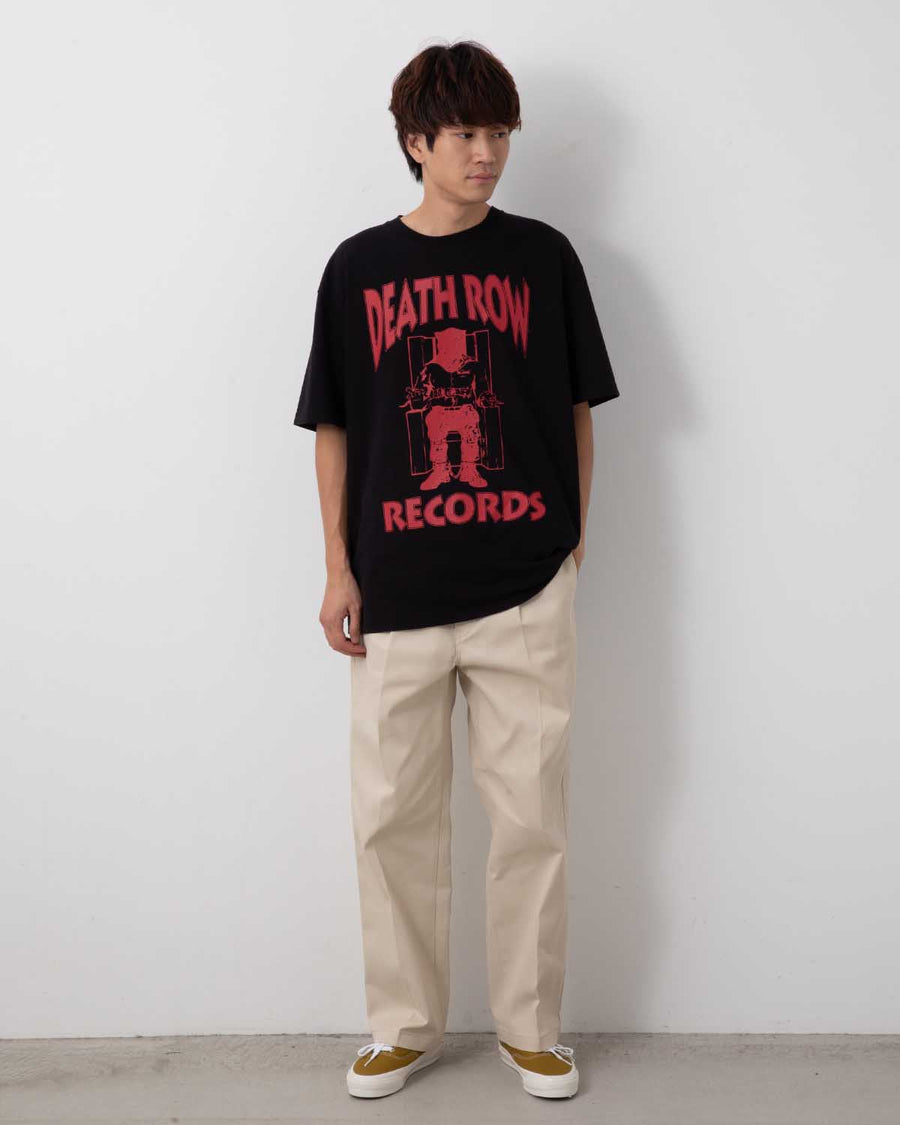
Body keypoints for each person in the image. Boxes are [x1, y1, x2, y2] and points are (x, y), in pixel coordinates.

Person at [293, 39, 619, 1101]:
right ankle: (403, 1025)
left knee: (531, 819)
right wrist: (338, 568)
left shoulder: (543, 258)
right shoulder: (357, 269)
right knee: (391, 820)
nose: (487, 153)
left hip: (524, 583)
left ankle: (533, 1027)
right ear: (416, 142)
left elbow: (575, 406)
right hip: (394, 590)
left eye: (500, 133)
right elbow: (334, 425)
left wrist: (572, 537)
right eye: (467, 133)